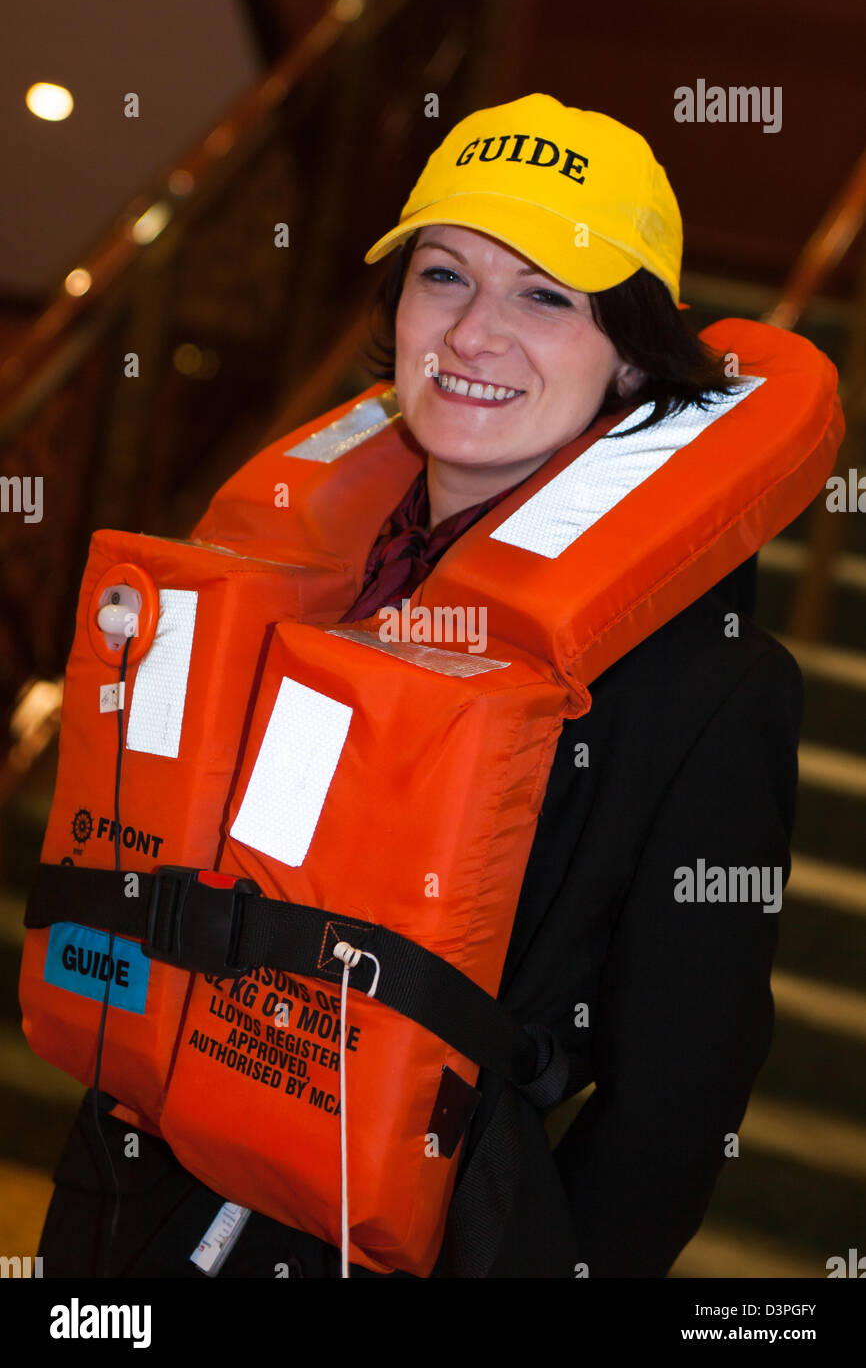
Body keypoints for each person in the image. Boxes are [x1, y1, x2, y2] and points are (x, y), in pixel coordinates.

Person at [37, 93, 801, 1278]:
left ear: (634, 358)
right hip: (131, 1208)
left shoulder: (705, 689)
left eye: (545, 294)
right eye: (442, 274)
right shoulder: (285, 578)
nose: (474, 333)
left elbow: (676, 1105)